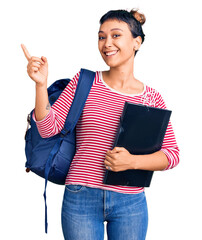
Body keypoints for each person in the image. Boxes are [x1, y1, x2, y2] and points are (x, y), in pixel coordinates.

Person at [21, 9, 180, 240]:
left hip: (130, 202)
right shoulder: (85, 82)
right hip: (80, 195)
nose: (107, 43)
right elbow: (48, 129)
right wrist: (40, 85)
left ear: (137, 42)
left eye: (116, 35)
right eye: (101, 36)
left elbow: (172, 154)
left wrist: (132, 162)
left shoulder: (151, 98)